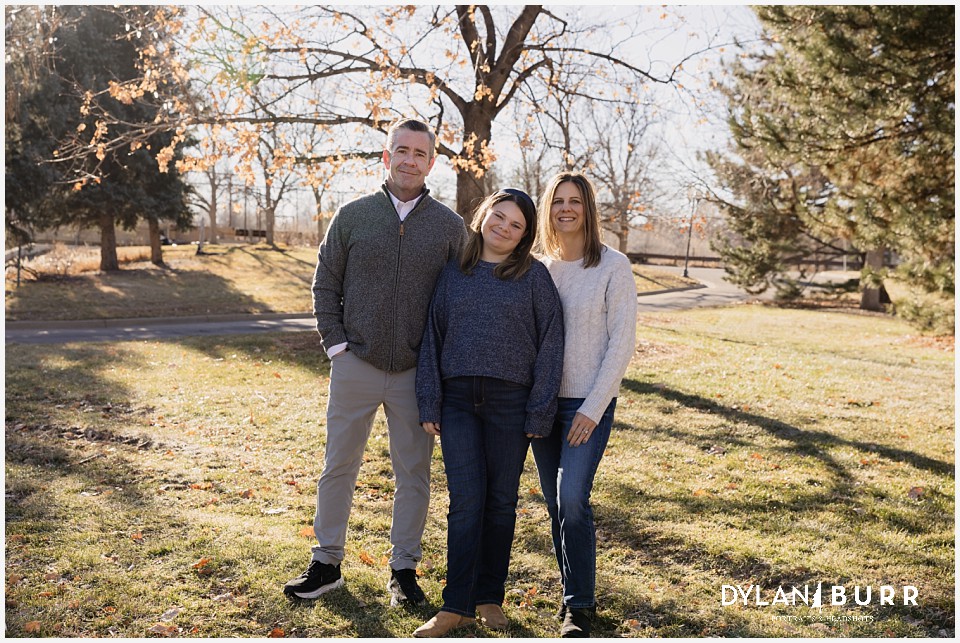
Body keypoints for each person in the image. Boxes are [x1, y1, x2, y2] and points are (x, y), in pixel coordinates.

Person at [283, 119, 467, 606]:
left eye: (420, 153)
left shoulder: (450, 227)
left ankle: (403, 570)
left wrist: (439, 366)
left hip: (416, 373)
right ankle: (326, 563)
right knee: (338, 465)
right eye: (401, 150)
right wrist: (337, 346)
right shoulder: (353, 216)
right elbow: (325, 283)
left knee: (414, 474)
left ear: (431, 163)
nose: (410, 160)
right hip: (356, 364)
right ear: (386, 157)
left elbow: (462, 299)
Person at [412, 189, 564, 637]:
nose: (504, 228)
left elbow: (552, 344)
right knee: (465, 503)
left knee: (500, 503)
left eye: (516, 225)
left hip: (511, 404)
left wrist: (540, 410)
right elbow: (432, 338)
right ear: (483, 216)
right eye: (499, 217)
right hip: (458, 401)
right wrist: (429, 399)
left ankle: (488, 597)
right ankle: (454, 605)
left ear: (525, 235)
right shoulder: (453, 272)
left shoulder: (534, 277)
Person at [531, 172, 637, 638]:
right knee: (555, 503)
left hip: (587, 404)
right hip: (542, 404)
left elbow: (621, 342)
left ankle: (580, 607)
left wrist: (593, 407)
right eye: (558, 201)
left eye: (575, 201)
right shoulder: (540, 267)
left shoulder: (613, 266)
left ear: (588, 209)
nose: (566, 209)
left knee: (573, 497)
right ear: (548, 209)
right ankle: (570, 593)